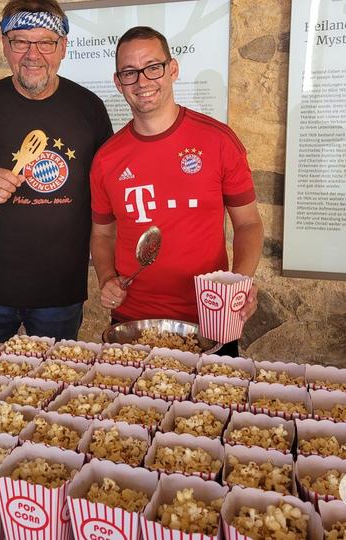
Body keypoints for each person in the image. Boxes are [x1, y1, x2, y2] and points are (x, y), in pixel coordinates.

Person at [0, 0, 113, 342]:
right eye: (20, 41)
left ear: (62, 47)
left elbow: (109, 196)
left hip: (60, 294)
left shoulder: (90, 108)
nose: (33, 54)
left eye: (45, 42)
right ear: (4, 45)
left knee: (57, 388)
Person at [89, 26, 264, 355]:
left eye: (152, 67)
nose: (142, 81)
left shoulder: (218, 141)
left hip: (211, 319)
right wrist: (106, 277)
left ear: (173, 69)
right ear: (118, 82)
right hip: (133, 320)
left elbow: (249, 224)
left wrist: (239, 283)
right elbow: (102, 235)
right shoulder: (106, 159)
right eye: (129, 72)